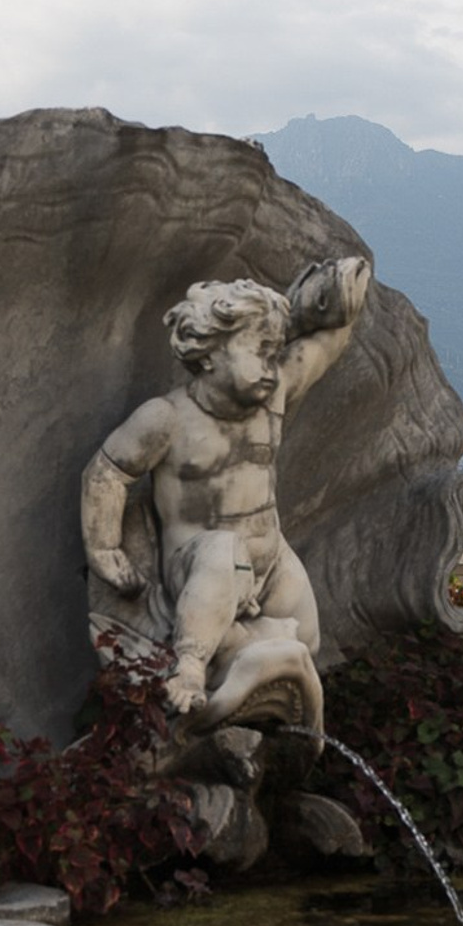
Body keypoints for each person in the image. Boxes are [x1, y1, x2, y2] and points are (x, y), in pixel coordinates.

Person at [80, 254, 372, 731]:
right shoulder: (167, 419)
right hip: (196, 563)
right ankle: (190, 666)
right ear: (210, 352)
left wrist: (341, 300)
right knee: (223, 551)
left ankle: (255, 685)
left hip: (269, 558)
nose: (270, 366)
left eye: (275, 351)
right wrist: (104, 547)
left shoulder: (271, 398)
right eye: (259, 350)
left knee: (308, 637)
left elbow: (323, 347)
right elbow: (107, 472)